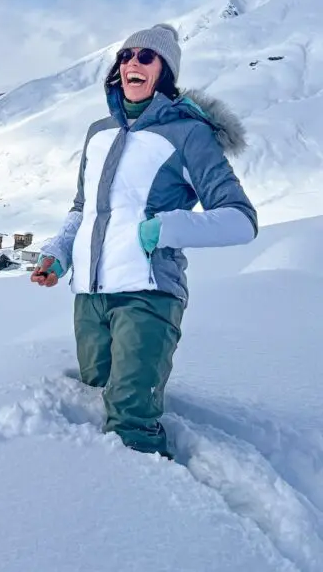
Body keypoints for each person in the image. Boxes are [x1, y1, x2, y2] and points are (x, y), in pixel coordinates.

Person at [31, 22, 257, 458]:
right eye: (126, 56)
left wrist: (165, 229)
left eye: (146, 56)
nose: (132, 62)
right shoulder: (98, 132)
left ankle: (145, 496)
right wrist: (58, 255)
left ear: (164, 71)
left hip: (148, 296)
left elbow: (240, 220)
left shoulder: (189, 134)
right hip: (90, 298)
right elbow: (84, 208)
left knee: (130, 421)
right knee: (94, 393)